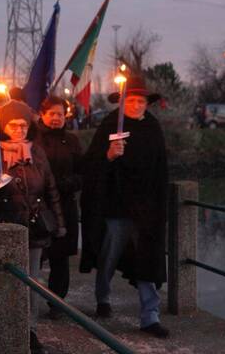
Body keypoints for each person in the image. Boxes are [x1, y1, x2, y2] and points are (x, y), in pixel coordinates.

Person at [0, 100, 65, 353]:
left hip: (33, 227)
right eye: (13, 125)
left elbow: (51, 188)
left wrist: (59, 222)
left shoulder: (37, 153)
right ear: (3, 126)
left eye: (23, 125)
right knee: (1, 277)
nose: (19, 130)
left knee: (31, 280)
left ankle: (29, 330)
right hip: (1, 224)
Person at [79, 76, 170, 338]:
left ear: (147, 104)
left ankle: (150, 315)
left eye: (141, 101)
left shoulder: (153, 129)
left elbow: (160, 169)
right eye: (130, 100)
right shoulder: (110, 124)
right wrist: (109, 156)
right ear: (121, 103)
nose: (136, 105)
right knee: (109, 254)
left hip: (147, 207)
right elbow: (90, 165)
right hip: (116, 205)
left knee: (148, 259)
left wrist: (158, 204)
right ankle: (103, 297)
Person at [34, 95, 83, 319]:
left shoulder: (73, 141)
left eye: (60, 114)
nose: (56, 118)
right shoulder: (33, 139)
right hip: (39, 206)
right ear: (43, 115)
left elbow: (83, 172)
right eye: (52, 113)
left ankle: (57, 302)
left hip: (65, 205)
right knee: (37, 253)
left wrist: (67, 184)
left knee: (60, 257)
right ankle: (28, 298)